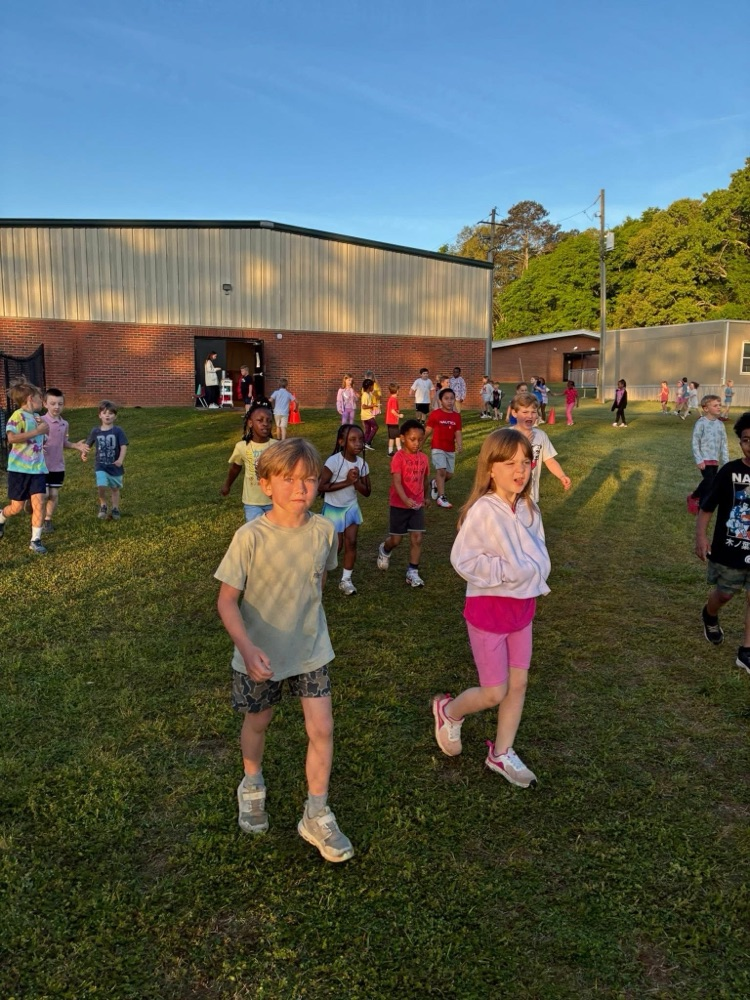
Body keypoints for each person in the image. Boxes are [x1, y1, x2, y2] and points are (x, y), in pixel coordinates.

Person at [215, 438, 354, 862]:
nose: (301, 487)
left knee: (323, 728)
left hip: (312, 648)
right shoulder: (249, 536)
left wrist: (309, 627)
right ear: (266, 484)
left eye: (309, 479)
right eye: (289, 479)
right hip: (261, 654)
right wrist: (247, 646)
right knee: (259, 721)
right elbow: (226, 601)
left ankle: (316, 811)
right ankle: (252, 782)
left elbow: (319, 584)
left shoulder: (323, 532)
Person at [431, 428, 551, 786]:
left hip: (522, 609)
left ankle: (501, 753)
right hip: (489, 611)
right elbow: (463, 560)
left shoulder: (529, 508)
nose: (520, 470)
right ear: (491, 467)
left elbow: (538, 551)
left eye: (526, 463)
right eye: (510, 463)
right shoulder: (483, 510)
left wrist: (530, 573)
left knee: (519, 683)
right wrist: (505, 572)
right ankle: (449, 712)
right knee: (494, 691)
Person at [695, 411, 750, 675]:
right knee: (725, 594)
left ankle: (746, 650)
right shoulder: (730, 471)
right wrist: (701, 537)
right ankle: (710, 614)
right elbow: (707, 508)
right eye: (747, 440)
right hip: (730, 551)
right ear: (740, 443)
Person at [318, 424, 371, 596]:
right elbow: (321, 486)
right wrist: (347, 482)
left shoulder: (362, 464)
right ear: (342, 442)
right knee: (337, 545)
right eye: (353, 440)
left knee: (352, 542)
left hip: (351, 507)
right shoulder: (333, 462)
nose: (358, 444)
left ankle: (346, 580)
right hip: (333, 508)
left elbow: (367, 492)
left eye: (361, 440)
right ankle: (318, 573)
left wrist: (356, 482)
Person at [376, 419, 430, 587]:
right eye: (412, 439)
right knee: (396, 540)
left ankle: (412, 572)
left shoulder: (424, 458)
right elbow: (397, 482)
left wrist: (426, 497)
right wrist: (405, 499)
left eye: (420, 439)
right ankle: (385, 549)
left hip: (417, 505)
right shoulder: (398, 458)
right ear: (403, 438)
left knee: (417, 538)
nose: (416, 443)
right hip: (399, 504)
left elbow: (425, 479)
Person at [0, 380, 50, 555]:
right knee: (17, 508)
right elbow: (12, 438)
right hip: (19, 470)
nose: (41, 401)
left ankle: (35, 540)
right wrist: (37, 432)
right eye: (39, 398)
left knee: (40, 502)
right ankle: (1, 516)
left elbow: (42, 440)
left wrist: (44, 434)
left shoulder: (37, 417)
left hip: (37, 469)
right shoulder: (17, 416)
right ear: (30, 399)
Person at [41, 387, 88, 533]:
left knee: (53, 494)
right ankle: (34, 510)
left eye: (60, 404)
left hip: (57, 466)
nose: (56, 407)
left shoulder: (64, 424)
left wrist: (76, 446)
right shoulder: (40, 421)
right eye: (53, 403)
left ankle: (48, 519)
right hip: (40, 466)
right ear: (45, 404)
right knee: (43, 495)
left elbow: (63, 443)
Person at [511, 392, 572, 503]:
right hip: (509, 494)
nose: (530, 416)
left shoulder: (540, 435)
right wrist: (525, 444)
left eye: (533, 412)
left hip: (531, 494)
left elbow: (549, 460)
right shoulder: (506, 435)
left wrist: (562, 475)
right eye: (525, 412)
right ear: (514, 413)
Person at [220, 403, 275, 522]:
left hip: (274, 501)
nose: (265, 423)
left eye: (269, 421)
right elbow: (235, 468)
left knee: (272, 532)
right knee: (256, 531)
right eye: (260, 420)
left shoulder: (277, 446)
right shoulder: (242, 447)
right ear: (250, 423)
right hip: (252, 502)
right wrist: (227, 485)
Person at [83, 400, 128, 520]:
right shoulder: (95, 431)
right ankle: (103, 505)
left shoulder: (118, 431)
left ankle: (115, 508)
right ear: (100, 415)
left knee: (115, 489)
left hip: (115, 466)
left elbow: (123, 446)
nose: (107, 415)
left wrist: (120, 460)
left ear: (115, 416)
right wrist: (84, 453)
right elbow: (88, 444)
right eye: (104, 412)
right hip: (100, 465)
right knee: (101, 486)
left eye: (110, 413)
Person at [687, 395, 728, 515]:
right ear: (706, 408)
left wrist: (725, 462)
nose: (719, 407)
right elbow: (695, 442)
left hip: (714, 460)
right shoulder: (701, 423)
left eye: (719, 405)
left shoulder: (720, 425)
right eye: (715, 405)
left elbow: (724, 444)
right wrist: (699, 459)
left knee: (710, 482)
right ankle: (701, 505)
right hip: (704, 459)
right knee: (709, 481)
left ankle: (694, 496)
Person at [423, 387, 462, 509]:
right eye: (446, 399)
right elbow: (428, 430)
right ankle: (442, 497)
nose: (449, 401)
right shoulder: (435, 414)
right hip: (437, 447)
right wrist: (420, 443)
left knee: (449, 475)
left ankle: (435, 483)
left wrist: (460, 444)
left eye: (452, 399)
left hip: (450, 448)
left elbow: (458, 432)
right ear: (441, 401)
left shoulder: (456, 416)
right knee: (441, 471)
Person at [385, 383, 404, 456]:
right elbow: (392, 411)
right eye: (398, 390)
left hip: (389, 421)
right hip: (393, 422)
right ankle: (400, 451)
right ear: (396, 391)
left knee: (392, 437)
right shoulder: (393, 400)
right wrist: (399, 415)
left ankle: (390, 452)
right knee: (397, 436)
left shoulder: (391, 399)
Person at [360, 378, 378, 450]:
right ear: (369, 387)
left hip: (366, 415)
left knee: (367, 430)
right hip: (367, 415)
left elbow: (368, 404)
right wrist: (372, 406)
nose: (373, 388)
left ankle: (364, 444)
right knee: (375, 427)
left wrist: (373, 405)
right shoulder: (365, 395)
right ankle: (368, 443)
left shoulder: (368, 394)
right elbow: (363, 406)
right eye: (372, 386)